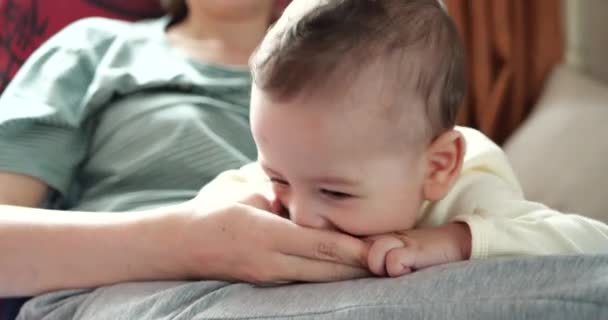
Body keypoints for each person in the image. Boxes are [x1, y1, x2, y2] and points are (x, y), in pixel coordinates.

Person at [0, 0, 372, 298]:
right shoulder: (94, 47)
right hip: (129, 292)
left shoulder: (368, 70)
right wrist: (186, 243)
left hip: (335, 285)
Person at [234, 0, 607, 277]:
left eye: (335, 193)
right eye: (278, 178)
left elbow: (594, 242)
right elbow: (215, 202)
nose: (300, 216)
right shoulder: (306, 165)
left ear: (436, 168)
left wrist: (458, 242)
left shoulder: (472, 195)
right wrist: (242, 206)